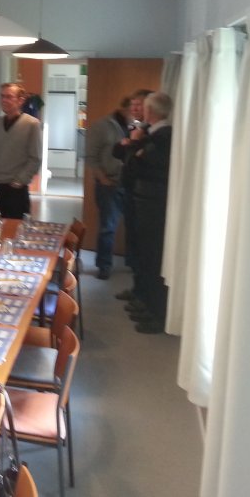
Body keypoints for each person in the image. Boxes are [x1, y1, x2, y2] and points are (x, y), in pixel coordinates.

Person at [124, 92, 173, 334]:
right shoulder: (152, 134)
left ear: (150, 111)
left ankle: (157, 313)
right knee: (143, 254)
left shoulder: (164, 136)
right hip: (145, 200)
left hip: (154, 203)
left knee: (153, 258)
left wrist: (134, 145)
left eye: (143, 108)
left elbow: (134, 165)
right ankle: (145, 301)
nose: (140, 111)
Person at [111, 89, 153, 302]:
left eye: (139, 105)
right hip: (131, 191)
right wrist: (128, 145)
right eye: (133, 105)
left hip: (144, 196)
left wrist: (132, 145)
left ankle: (143, 293)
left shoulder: (153, 133)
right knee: (134, 243)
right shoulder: (137, 128)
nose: (134, 109)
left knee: (144, 248)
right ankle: (137, 289)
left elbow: (134, 162)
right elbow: (117, 152)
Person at [85, 96, 133, 279]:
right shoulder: (102, 126)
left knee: (134, 226)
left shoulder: (137, 127)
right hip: (109, 184)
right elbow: (90, 156)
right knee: (108, 227)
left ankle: (133, 262)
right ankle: (104, 265)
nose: (137, 112)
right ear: (124, 108)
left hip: (131, 184)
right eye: (134, 108)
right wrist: (102, 178)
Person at [0, 83, 42, 219]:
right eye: (2, 96)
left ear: (20, 100)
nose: (4, 100)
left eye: (9, 97)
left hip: (15, 188)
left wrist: (20, 180)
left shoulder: (32, 124)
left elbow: (35, 158)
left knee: (15, 227)